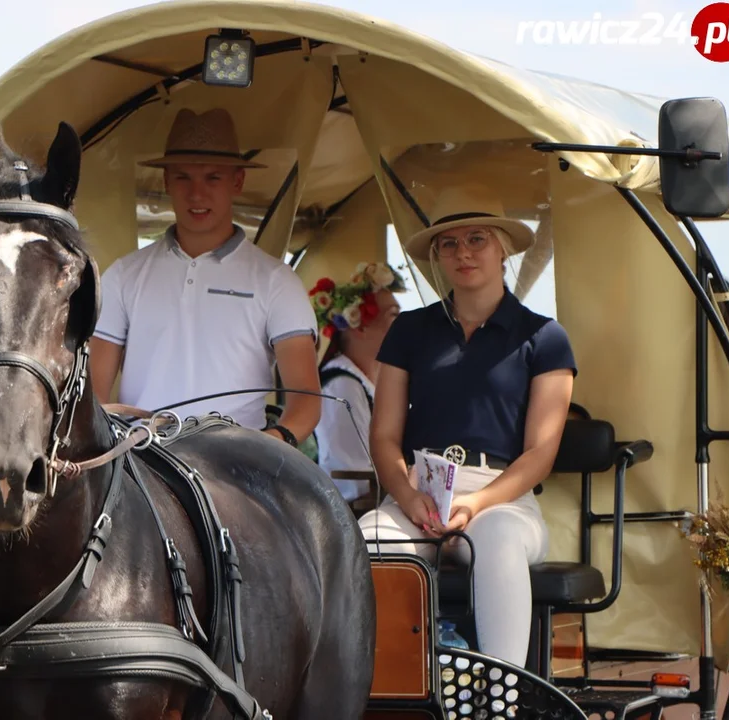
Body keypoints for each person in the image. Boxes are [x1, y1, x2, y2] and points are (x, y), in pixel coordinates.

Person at [358, 185, 577, 667]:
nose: (463, 252)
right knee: (367, 539)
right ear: (437, 256)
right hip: (418, 493)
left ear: (502, 246)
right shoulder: (409, 331)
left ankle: (503, 701)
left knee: (495, 537)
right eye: (449, 243)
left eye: (477, 238)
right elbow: (385, 436)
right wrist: (409, 496)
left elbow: (541, 453)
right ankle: (391, 696)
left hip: (504, 499)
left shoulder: (544, 337)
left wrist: (477, 503)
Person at [90, 108, 321, 446]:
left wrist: (268, 445)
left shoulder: (277, 281)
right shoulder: (123, 275)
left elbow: (306, 399)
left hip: (236, 461)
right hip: (139, 458)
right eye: (183, 177)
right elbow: (93, 392)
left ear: (237, 181)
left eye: (213, 177)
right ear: (166, 180)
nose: (196, 194)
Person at [310, 262, 405, 500]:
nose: (404, 325)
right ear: (358, 326)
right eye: (394, 316)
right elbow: (355, 480)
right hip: (356, 517)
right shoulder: (342, 385)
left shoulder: (368, 382)